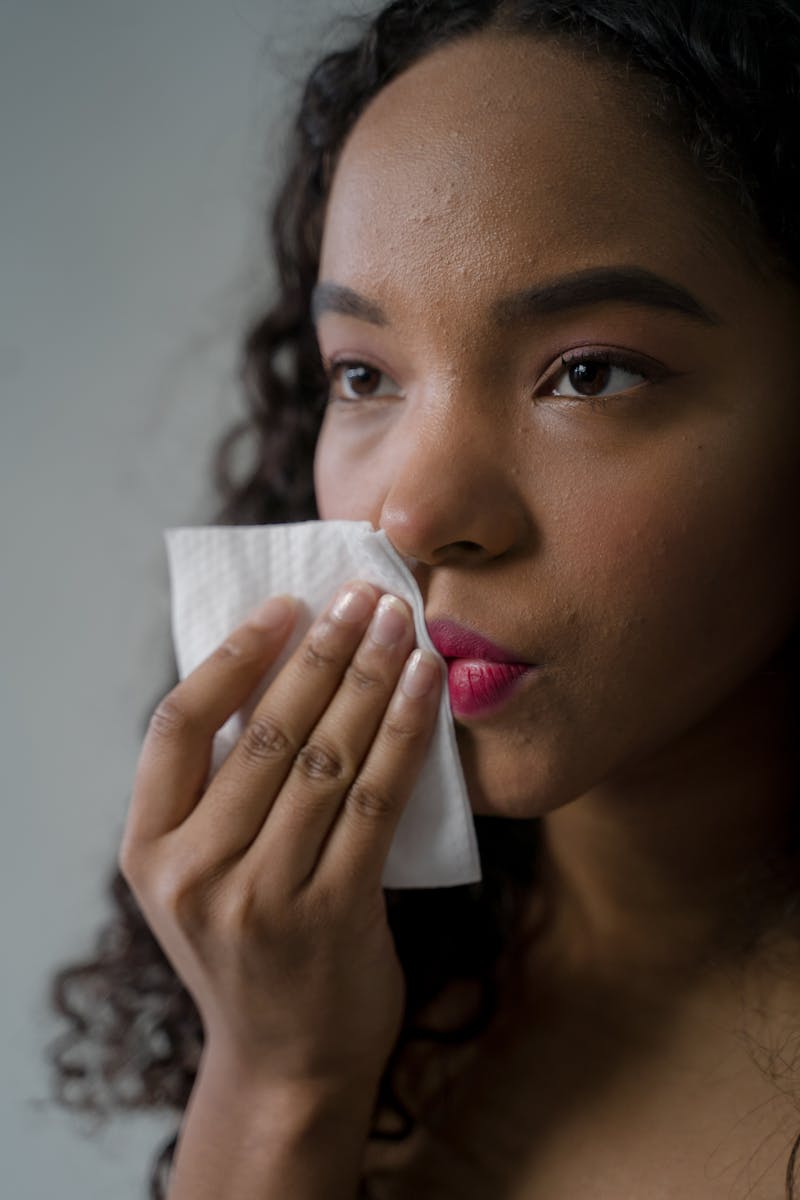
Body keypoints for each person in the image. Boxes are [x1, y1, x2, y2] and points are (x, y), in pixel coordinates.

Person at [48, 0, 800, 1196]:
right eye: (363, 376)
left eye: (587, 374)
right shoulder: (342, 982)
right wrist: (278, 1077)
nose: (405, 516)